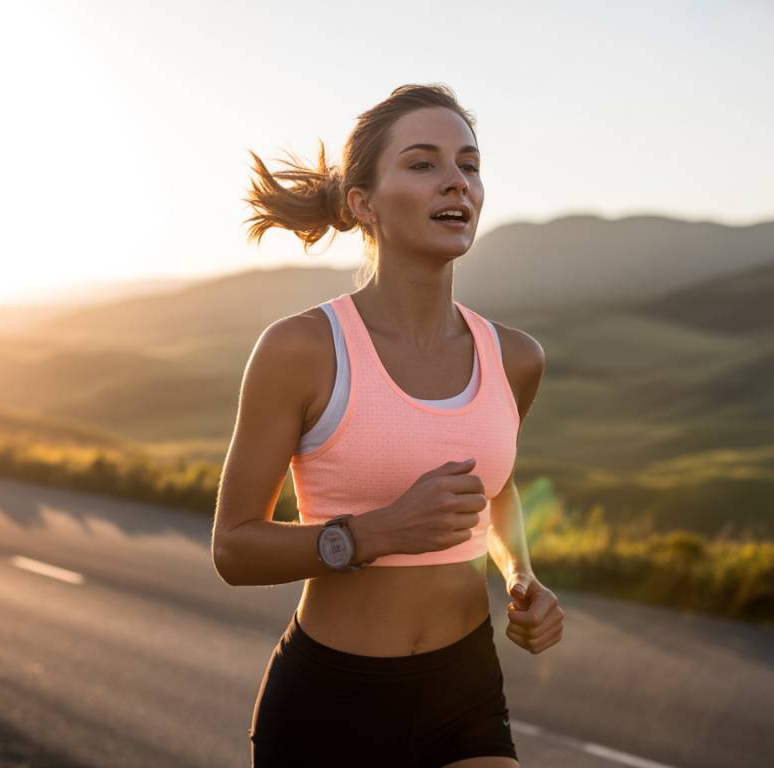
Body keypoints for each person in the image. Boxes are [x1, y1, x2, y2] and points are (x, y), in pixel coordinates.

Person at [211, 83, 565, 768]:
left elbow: (493, 490)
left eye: (469, 163)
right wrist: (376, 533)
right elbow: (234, 548)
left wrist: (521, 571)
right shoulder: (301, 350)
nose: (456, 182)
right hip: (329, 706)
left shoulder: (515, 358)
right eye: (423, 163)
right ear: (362, 203)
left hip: (466, 692)